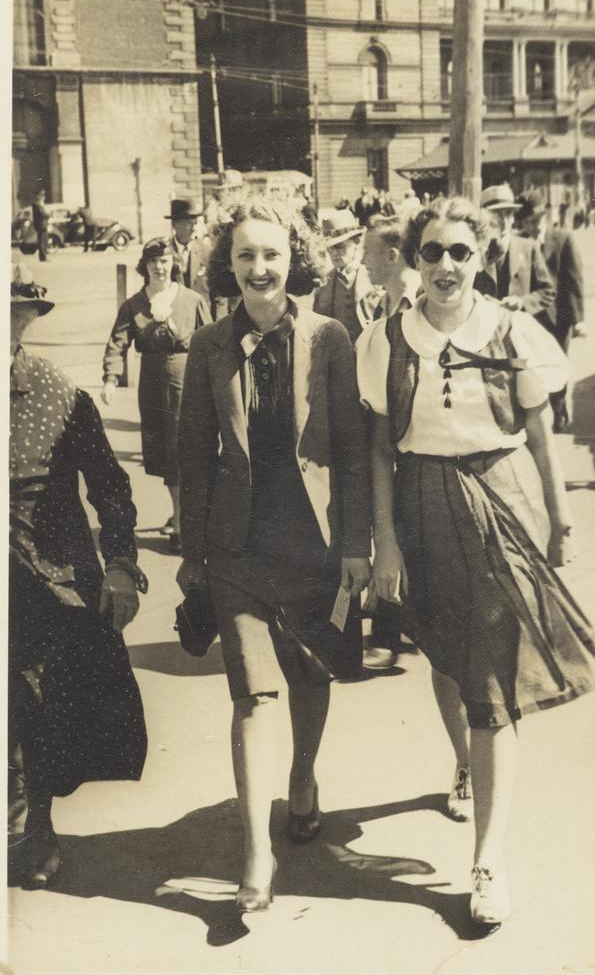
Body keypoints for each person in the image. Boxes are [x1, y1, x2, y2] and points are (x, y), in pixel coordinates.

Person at [356, 196, 595, 927]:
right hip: (419, 512)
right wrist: (384, 540)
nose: (447, 266)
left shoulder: (516, 334)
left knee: (490, 686)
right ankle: (464, 764)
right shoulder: (386, 341)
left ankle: (488, 862)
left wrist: (562, 522)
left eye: (461, 253)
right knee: (444, 658)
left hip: (501, 508)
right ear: (415, 260)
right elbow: (382, 450)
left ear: (483, 258)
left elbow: (542, 440)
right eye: (434, 252)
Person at [176, 197, 371, 914]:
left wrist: (357, 547)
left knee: (310, 675)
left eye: (272, 254)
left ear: (296, 260)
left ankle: (306, 776)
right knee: (253, 697)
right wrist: (193, 551)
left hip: (313, 544)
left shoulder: (331, 339)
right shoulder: (207, 346)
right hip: (238, 547)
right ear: (227, 266)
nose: (260, 268)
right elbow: (193, 457)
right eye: (246, 255)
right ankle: (257, 855)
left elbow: (351, 452)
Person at [9, 264, 148, 889]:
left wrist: (121, 564)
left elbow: (111, 489)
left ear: (25, 322)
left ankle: (36, 820)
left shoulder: (57, 394)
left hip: (43, 573)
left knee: (37, 699)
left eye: (14, 314)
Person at [101, 237, 212, 552]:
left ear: (173, 264)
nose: (160, 267)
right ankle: (181, 517)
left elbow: (212, 341)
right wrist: (110, 378)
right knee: (165, 455)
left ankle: (182, 523)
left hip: (187, 381)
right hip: (151, 385)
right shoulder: (135, 304)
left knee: (185, 452)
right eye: (153, 262)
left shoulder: (191, 299)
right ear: (145, 267)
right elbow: (117, 343)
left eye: (165, 261)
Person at [360, 214, 422, 669]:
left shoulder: (421, 300)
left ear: (392, 255)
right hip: (387, 432)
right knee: (392, 528)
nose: (363, 260)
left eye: (368, 251)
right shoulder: (384, 303)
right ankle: (393, 628)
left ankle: (391, 632)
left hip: (418, 442)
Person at [518, 191, 586, 433]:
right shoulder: (521, 244)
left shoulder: (563, 238)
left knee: (557, 364)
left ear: (545, 218)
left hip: (560, 318)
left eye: (536, 221)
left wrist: (578, 320)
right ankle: (543, 412)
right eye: (527, 223)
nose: (533, 227)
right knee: (535, 366)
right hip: (532, 319)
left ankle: (559, 408)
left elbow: (574, 279)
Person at [474, 184, 556, 319]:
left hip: (517, 330)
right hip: (482, 328)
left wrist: (521, 302)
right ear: (484, 218)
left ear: (513, 217)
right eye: (496, 215)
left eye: (508, 214)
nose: (504, 221)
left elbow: (548, 291)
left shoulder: (529, 247)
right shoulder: (474, 250)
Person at [313, 208, 381, 345]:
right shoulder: (324, 283)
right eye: (329, 249)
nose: (333, 253)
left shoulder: (375, 277)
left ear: (356, 242)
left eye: (339, 247)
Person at [166, 197, 216, 318]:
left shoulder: (206, 251)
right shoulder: (164, 253)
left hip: (202, 321)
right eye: (189, 224)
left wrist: (218, 325)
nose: (193, 228)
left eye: (195, 223)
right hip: (174, 322)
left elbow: (218, 293)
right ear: (174, 225)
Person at [31, 189, 49, 262]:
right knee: (41, 241)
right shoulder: (36, 204)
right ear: (37, 196)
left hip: (42, 225)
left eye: (43, 195)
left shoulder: (39, 204)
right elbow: (43, 214)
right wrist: (48, 215)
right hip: (40, 225)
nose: (43, 197)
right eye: (41, 195)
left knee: (44, 240)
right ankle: (43, 257)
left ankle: (44, 256)